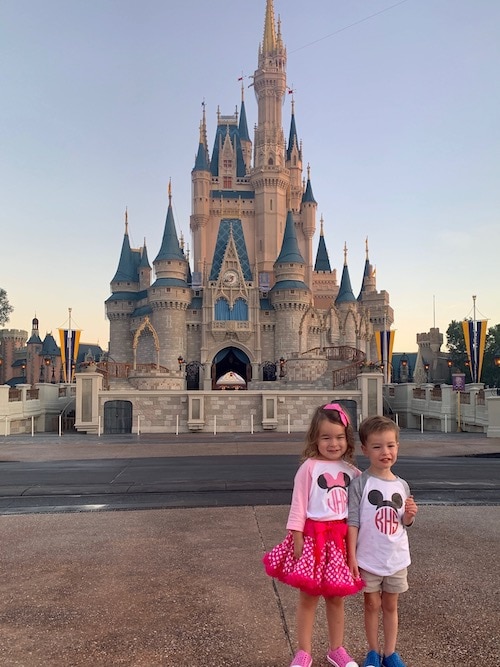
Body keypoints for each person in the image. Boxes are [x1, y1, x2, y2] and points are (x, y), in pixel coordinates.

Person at [263, 403, 365, 667]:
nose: (334, 443)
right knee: (308, 597)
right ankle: (303, 651)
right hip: (312, 539)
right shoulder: (308, 468)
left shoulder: (353, 473)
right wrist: (296, 536)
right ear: (315, 439)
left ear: (347, 439)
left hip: (340, 542)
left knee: (335, 597)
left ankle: (336, 649)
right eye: (326, 437)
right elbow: (298, 504)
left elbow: (360, 511)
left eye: (340, 437)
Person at [347, 416, 418, 667]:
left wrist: (409, 516)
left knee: (391, 604)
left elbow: (404, 523)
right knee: (371, 604)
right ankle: (373, 652)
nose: (385, 452)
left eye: (390, 445)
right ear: (365, 449)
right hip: (369, 557)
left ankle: (390, 653)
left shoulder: (402, 485)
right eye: (377, 447)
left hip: (396, 557)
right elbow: (353, 522)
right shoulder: (360, 484)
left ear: (398, 447)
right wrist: (352, 556)